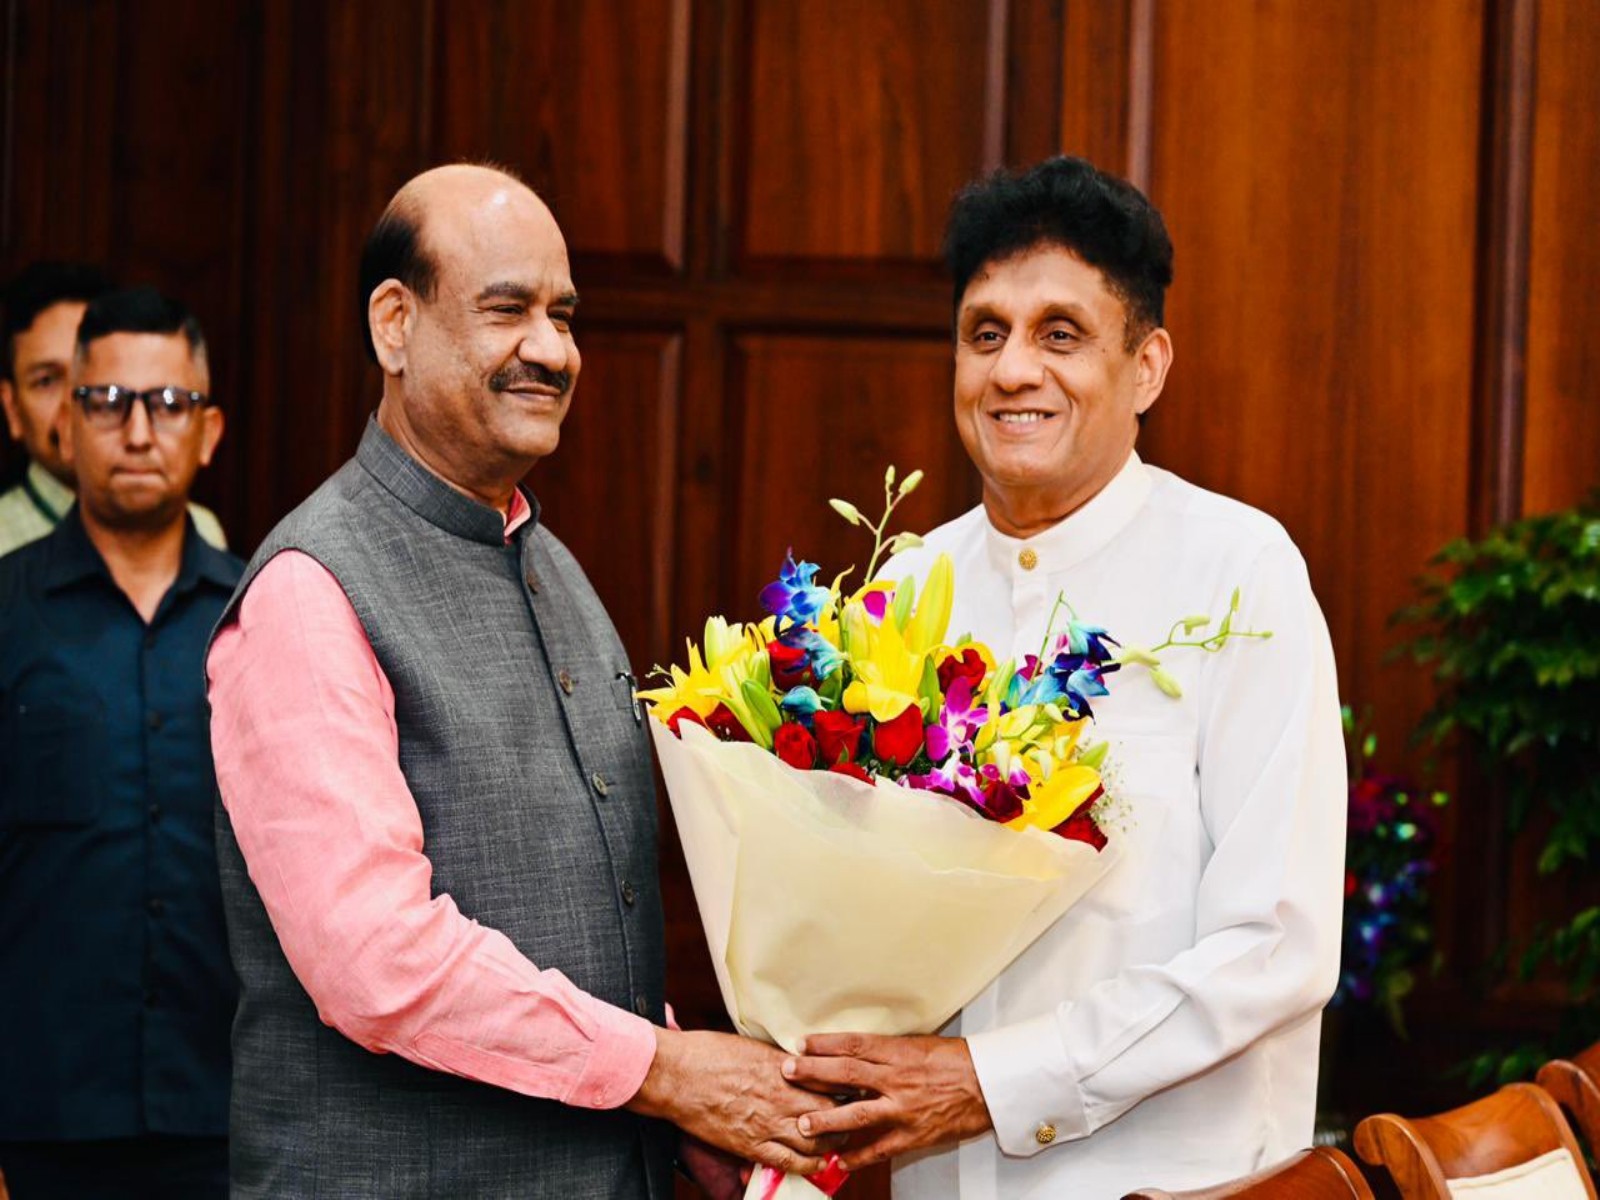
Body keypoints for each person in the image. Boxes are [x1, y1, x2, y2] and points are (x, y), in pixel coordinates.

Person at [205, 163, 829, 1199]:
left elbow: (561, 917)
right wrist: (670, 1076)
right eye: (508, 311)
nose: (551, 349)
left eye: (563, 316)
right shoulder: (309, 593)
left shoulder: (552, 564)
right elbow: (379, 965)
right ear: (394, 325)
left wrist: (689, 1112)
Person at [787, 156, 1346, 1197]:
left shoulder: (1240, 574)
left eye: (1060, 334)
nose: (1010, 371)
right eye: (984, 332)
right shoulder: (907, 586)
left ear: (1146, 367)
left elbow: (1277, 944)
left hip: (1176, 1184)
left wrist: (994, 1083)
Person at [0, 287, 240, 1198]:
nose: (138, 430)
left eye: (168, 403)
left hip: (225, 1110)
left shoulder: (259, 618)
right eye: (107, 402)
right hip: (42, 1115)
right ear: (65, 422)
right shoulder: (7, 610)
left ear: (208, 431)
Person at [0, 261, 226, 557]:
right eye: (46, 381)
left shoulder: (201, 530)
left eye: (106, 388)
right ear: (12, 407)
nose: (77, 401)